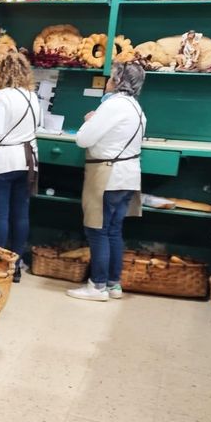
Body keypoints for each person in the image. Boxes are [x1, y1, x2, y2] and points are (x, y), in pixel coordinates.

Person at [67, 60, 148, 302]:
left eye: (111, 78)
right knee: (113, 231)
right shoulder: (135, 107)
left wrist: (89, 120)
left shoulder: (113, 106)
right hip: (128, 176)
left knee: (97, 230)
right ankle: (114, 285)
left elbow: (83, 140)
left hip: (107, 175)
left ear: (118, 81)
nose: (108, 82)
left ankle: (97, 285)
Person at [0, 51, 40, 282]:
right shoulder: (32, 96)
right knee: (21, 214)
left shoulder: (1, 97)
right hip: (28, 162)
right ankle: (16, 265)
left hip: (2, 162)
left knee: (0, 215)